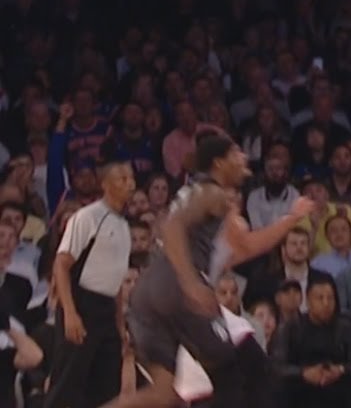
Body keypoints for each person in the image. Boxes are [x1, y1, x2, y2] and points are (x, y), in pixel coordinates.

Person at [103, 132, 313, 408]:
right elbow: (172, 228)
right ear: (219, 163)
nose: (243, 157)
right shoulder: (212, 192)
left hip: (147, 293)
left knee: (163, 394)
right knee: (232, 371)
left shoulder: (199, 196)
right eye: (236, 153)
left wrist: (292, 218)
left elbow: (245, 248)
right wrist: (190, 282)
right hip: (175, 286)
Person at [45, 162, 136, 408]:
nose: (130, 183)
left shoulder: (124, 225)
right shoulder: (88, 217)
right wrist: (70, 313)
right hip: (81, 302)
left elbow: (116, 279)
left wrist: (119, 324)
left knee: (106, 388)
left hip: (107, 309)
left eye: (131, 178)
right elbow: (61, 264)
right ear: (105, 184)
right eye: (122, 178)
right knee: (67, 384)